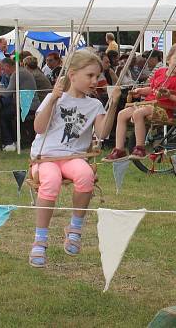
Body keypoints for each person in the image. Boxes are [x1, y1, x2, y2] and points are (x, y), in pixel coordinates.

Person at [27, 50, 107, 268]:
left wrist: (115, 102)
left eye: (97, 76)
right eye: (89, 75)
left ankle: (75, 228)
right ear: (72, 75)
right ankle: (40, 240)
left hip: (74, 157)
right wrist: (53, 98)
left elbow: (102, 134)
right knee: (50, 181)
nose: (95, 81)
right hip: (46, 158)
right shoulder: (55, 98)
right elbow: (39, 128)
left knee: (85, 175)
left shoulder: (95, 105)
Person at [105, 43, 176, 161]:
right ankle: (119, 149)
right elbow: (152, 89)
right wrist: (141, 91)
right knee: (122, 114)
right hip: (148, 105)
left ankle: (140, 148)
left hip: (164, 110)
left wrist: (170, 96)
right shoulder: (160, 72)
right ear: (168, 59)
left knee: (138, 113)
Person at [0, 57, 39, 151]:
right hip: (27, 104)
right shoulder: (20, 71)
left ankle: (9, 142)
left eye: (3, 69)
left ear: (8, 66)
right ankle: (12, 140)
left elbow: (7, 93)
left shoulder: (17, 74)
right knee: (3, 111)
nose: (3, 72)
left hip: (28, 106)